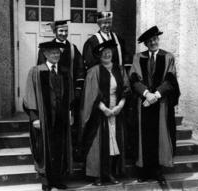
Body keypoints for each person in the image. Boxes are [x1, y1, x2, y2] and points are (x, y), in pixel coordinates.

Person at [129, 26, 180, 183]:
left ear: (158, 40)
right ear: (145, 43)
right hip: (143, 104)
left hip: (161, 104)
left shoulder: (168, 57)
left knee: (159, 136)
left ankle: (158, 172)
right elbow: (133, 79)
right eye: (149, 41)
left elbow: (171, 80)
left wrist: (156, 95)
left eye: (155, 39)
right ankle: (144, 172)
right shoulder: (138, 57)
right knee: (144, 137)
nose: (153, 42)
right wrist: (146, 94)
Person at [23, 41, 73, 191]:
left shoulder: (64, 72)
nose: (56, 55)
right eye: (52, 53)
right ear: (45, 54)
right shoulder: (36, 71)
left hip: (61, 118)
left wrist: (70, 113)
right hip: (44, 119)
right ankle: (46, 182)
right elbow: (29, 96)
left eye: (58, 52)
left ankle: (58, 180)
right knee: (44, 149)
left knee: (59, 148)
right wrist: (34, 117)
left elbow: (69, 96)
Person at [81, 40, 130, 186]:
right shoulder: (94, 71)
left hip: (117, 111)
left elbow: (126, 89)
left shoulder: (120, 69)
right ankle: (97, 175)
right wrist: (104, 109)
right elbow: (91, 94)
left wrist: (120, 106)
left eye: (109, 51)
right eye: (103, 52)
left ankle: (110, 173)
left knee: (114, 144)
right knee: (99, 145)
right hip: (99, 113)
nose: (107, 54)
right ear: (98, 55)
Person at [37, 20, 85, 156]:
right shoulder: (45, 49)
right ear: (55, 32)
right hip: (51, 93)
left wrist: (77, 90)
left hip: (68, 94)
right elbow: (41, 70)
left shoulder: (73, 49)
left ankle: (70, 154)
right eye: (61, 31)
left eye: (65, 31)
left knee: (70, 124)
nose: (64, 34)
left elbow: (80, 69)